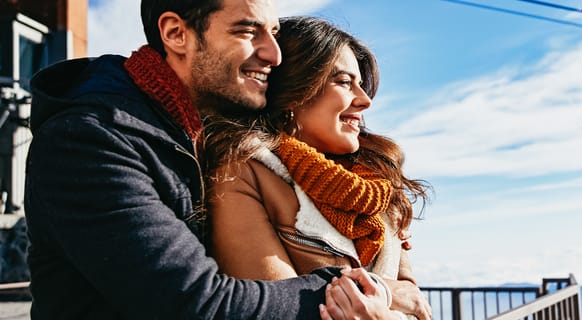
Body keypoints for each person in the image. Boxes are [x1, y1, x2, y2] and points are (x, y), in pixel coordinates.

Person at [25, 1, 356, 318]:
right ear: (175, 34)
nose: (274, 54)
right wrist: (359, 289)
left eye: (274, 33)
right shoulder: (88, 141)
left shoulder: (202, 133)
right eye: (247, 31)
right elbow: (198, 305)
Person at [202, 17, 432, 319]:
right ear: (295, 93)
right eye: (344, 82)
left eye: (361, 86)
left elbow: (418, 307)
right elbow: (275, 310)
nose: (364, 102)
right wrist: (385, 300)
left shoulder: (377, 186)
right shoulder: (243, 173)